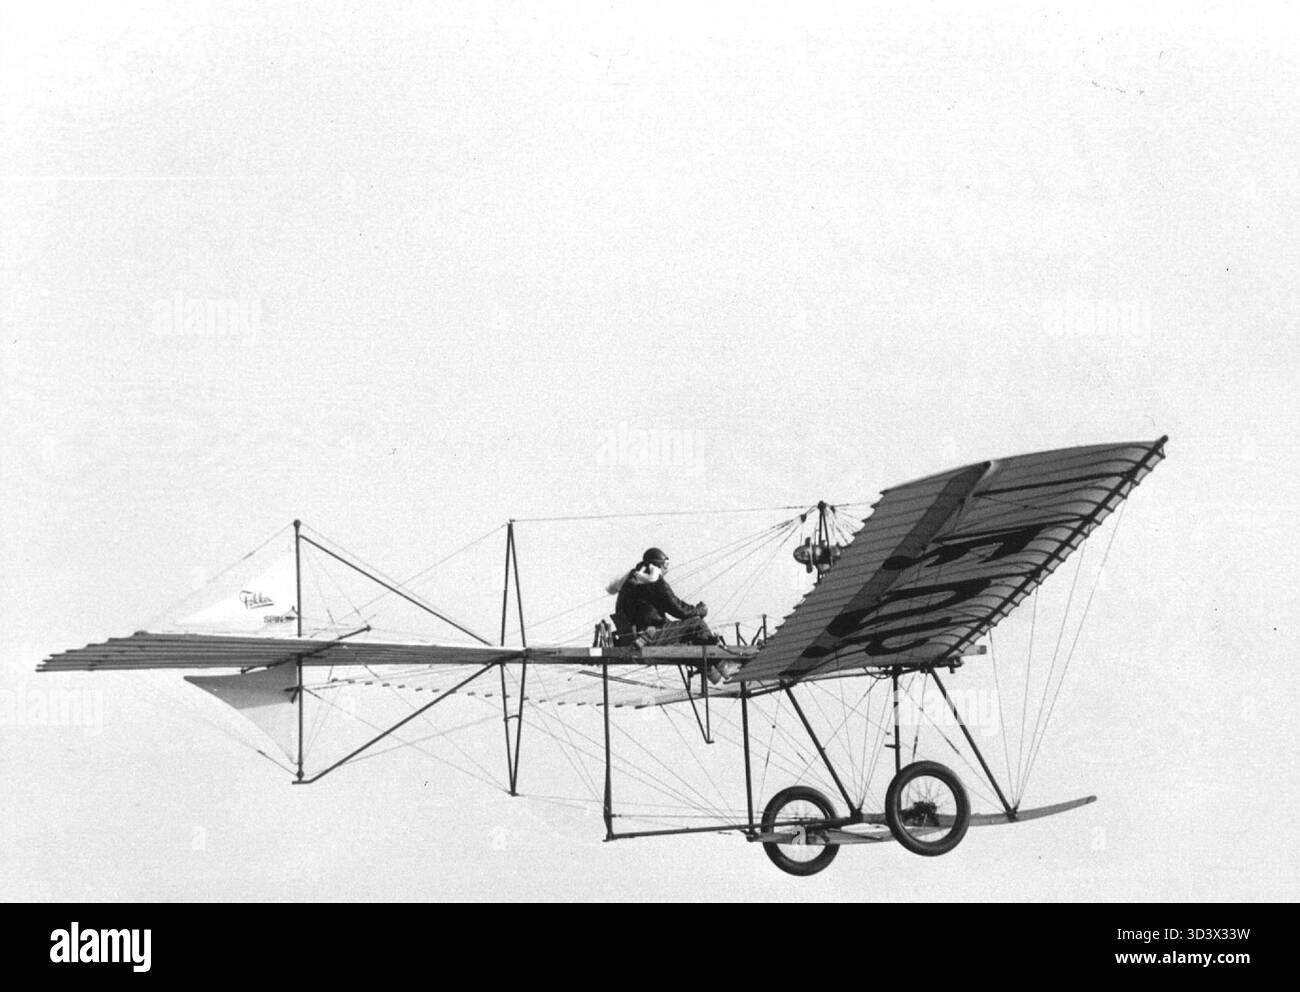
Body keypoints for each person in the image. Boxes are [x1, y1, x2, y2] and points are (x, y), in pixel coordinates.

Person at [608, 547, 741, 682]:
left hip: (635, 637)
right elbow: (679, 610)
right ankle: (723, 665)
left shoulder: (631, 582)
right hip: (647, 637)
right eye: (666, 565)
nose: (667, 570)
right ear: (658, 566)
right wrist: (699, 611)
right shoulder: (654, 582)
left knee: (688, 640)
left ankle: (712, 671)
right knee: (696, 625)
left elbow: (648, 614)